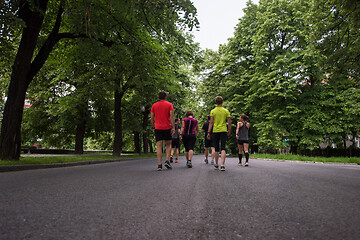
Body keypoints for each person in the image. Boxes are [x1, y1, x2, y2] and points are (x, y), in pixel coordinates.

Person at [150, 91, 175, 171]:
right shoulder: (169, 105)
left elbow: (152, 117)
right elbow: (171, 116)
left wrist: (153, 126)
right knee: (168, 144)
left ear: (158, 97)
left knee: (159, 146)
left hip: (158, 127)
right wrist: (173, 127)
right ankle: (167, 160)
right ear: (165, 97)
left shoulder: (154, 105)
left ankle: (159, 165)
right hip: (167, 127)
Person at [207, 96, 231, 171]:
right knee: (223, 147)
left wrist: (208, 132)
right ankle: (223, 165)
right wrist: (229, 130)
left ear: (216, 102)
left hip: (215, 131)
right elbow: (229, 122)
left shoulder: (213, 111)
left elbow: (211, 122)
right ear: (222, 102)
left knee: (216, 148)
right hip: (223, 130)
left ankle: (216, 164)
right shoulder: (226, 111)